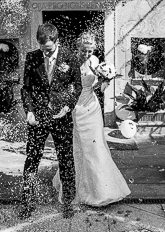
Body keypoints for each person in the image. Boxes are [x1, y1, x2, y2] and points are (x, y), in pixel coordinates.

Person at [54, 32, 130, 206]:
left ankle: (102, 189)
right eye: (83, 50)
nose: (87, 54)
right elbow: (63, 86)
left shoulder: (96, 61)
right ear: (77, 48)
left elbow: (98, 88)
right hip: (75, 109)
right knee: (78, 148)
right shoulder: (68, 62)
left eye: (89, 51)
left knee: (96, 146)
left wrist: (106, 79)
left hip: (93, 109)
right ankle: (76, 188)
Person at [21, 23, 83, 218]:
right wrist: (29, 112)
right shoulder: (32, 57)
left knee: (65, 159)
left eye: (48, 49)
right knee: (32, 159)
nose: (45, 53)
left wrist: (68, 105)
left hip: (61, 117)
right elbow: (26, 88)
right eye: (42, 48)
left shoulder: (70, 57)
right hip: (38, 117)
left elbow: (77, 85)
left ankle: (68, 202)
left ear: (56, 41)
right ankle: (27, 202)